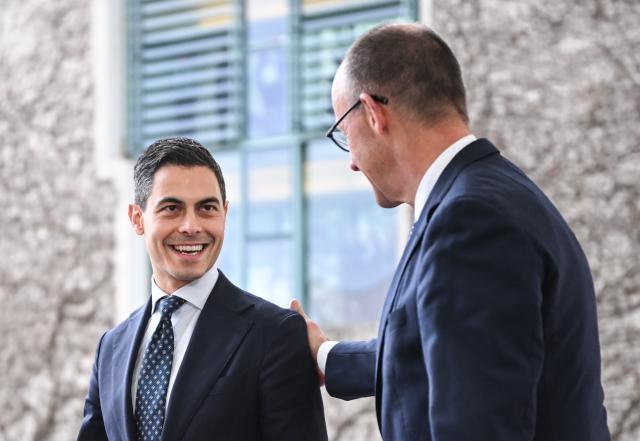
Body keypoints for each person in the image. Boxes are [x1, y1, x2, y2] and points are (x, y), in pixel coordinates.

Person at [291, 23, 610, 441]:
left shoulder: (470, 221)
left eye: (343, 136)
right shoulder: (491, 196)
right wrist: (327, 358)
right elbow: (444, 349)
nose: (351, 162)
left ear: (372, 113)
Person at [78, 137, 328, 441]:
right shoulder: (111, 347)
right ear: (137, 219)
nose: (191, 226)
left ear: (225, 213)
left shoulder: (275, 334)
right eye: (172, 208)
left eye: (207, 208)